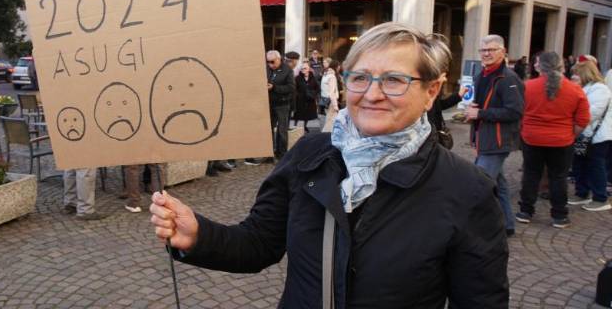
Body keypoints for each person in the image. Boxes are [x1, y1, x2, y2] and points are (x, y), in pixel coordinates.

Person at [149, 23, 508, 308]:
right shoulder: (310, 154)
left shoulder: (467, 190)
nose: (372, 94)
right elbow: (259, 243)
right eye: (360, 77)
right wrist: (198, 235)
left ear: (432, 90)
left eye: (395, 80)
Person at [516, 52, 590, 229]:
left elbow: (518, 113)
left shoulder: (527, 86)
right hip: (562, 140)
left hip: (532, 138)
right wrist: (570, 133)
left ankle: (526, 211)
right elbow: (583, 119)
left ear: (539, 66)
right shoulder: (575, 89)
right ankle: (559, 215)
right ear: (562, 66)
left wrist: (525, 130)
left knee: (531, 174)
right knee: (558, 177)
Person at [465, 34, 523, 237]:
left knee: (479, 184)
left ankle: (476, 228)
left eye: (492, 49)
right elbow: (482, 105)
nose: (487, 53)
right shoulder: (482, 75)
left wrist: (480, 113)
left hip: (497, 141)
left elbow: (515, 112)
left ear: (503, 51)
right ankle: (507, 225)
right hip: (485, 138)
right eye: (483, 50)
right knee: (499, 185)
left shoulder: (508, 78)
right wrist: (473, 109)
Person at [567, 61, 612, 212]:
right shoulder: (583, 88)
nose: (573, 76)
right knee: (580, 163)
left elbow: (590, 113)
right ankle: (582, 192)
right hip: (585, 134)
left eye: (576, 73)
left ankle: (600, 197)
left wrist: (570, 116)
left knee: (595, 165)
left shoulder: (600, 89)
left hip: (597, 135)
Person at [266, 50, 294, 161]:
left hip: (282, 104)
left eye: (272, 62)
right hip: (269, 104)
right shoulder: (267, 68)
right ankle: (269, 154)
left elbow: (291, 88)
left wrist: (274, 87)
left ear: (278, 59)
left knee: (282, 131)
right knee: (269, 130)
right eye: (268, 62)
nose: (270, 64)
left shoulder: (287, 70)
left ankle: (282, 154)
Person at [292, 61, 320, 133]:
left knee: (307, 115)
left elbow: (317, 88)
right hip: (300, 100)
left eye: (305, 68)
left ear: (308, 69)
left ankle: (305, 127)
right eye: (302, 69)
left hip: (309, 100)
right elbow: (294, 88)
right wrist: (298, 95)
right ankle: (297, 127)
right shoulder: (297, 78)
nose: (303, 70)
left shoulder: (313, 77)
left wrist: (313, 94)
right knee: (299, 115)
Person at [320, 60, 341, 133]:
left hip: (325, 100)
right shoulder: (332, 77)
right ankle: (325, 137)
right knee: (331, 122)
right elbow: (332, 92)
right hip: (331, 101)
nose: (339, 68)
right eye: (338, 66)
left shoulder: (325, 75)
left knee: (329, 120)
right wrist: (335, 106)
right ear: (336, 67)